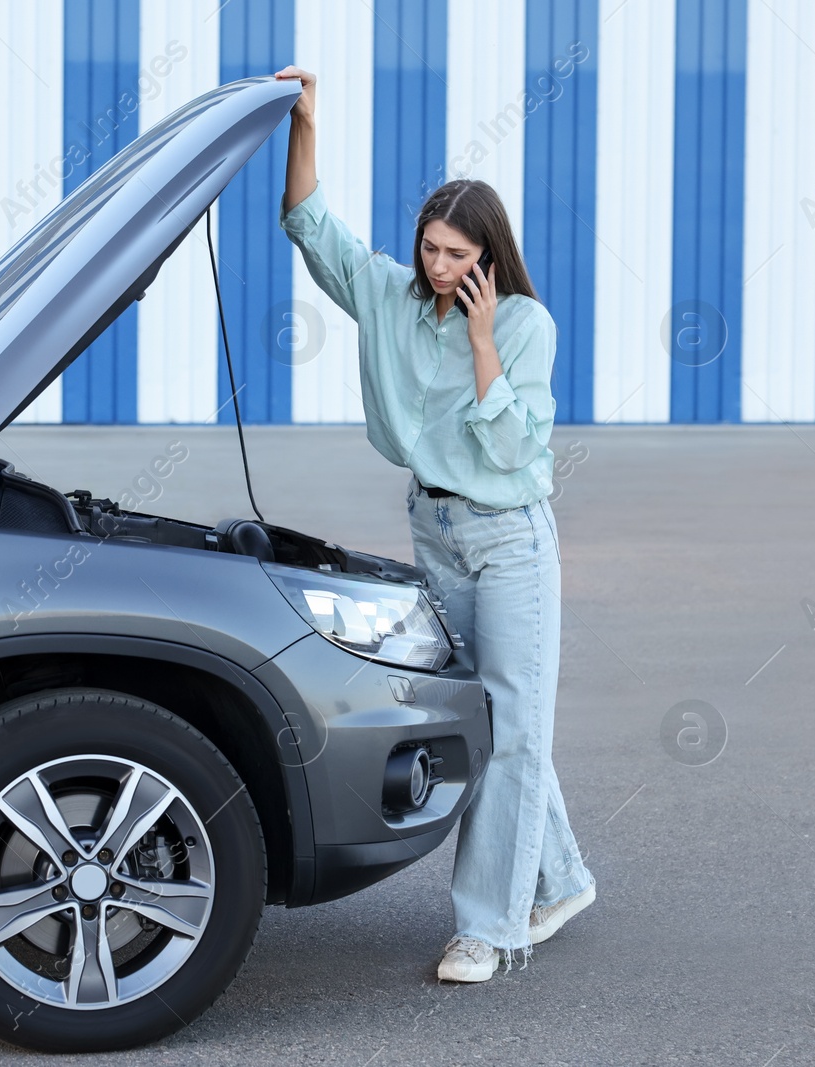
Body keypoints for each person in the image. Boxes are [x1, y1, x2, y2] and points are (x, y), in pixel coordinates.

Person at [273, 65, 595, 983]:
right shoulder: (389, 297)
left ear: (490, 255)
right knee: (490, 720)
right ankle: (563, 874)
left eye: (458, 254)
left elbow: (514, 450)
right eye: (430, 249)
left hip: (508, 536)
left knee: (516, 724)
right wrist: (306, 123)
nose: (439, 268)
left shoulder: (526, 324)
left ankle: (488, 928)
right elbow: (312, 227)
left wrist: (485, 345)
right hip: (435, 530)